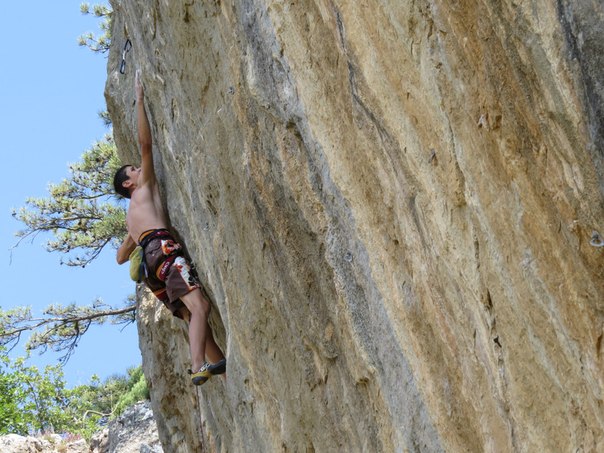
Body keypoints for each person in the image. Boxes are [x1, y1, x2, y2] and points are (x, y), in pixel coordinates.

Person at [113, 70, 225, 385]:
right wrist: (139, 100)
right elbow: (146, 144)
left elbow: (122, 257)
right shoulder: (143, 189)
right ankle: (198, 365)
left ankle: (221, 366)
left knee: (190, 315)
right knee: (200, 305)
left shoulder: (132, 219)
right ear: (128, 182)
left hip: (152, 268)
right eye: (133, 170)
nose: (139, 167)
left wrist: (134, 242)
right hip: (163, 251)